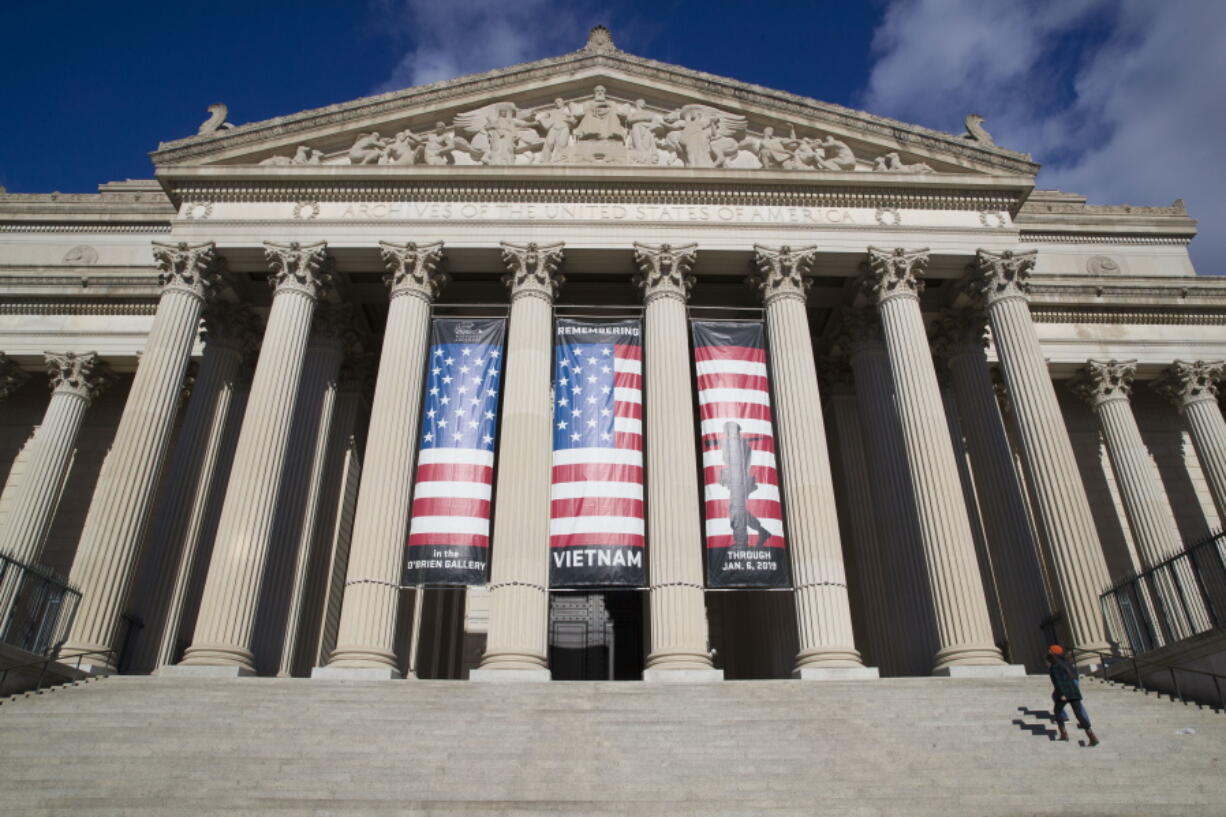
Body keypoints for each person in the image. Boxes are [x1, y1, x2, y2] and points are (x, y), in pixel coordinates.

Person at [1046, 645, 1100, 746]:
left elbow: (1059, 682)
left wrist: (1062, 694)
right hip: (1073, 691)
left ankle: (1064, 734)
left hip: (1064, 692)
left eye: (1050, 651)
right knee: (1079, 714)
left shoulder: (1055, 666)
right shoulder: (1066, 662)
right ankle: (1092, 736)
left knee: (1057, 711)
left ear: (1053, 653)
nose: (1048, 652)